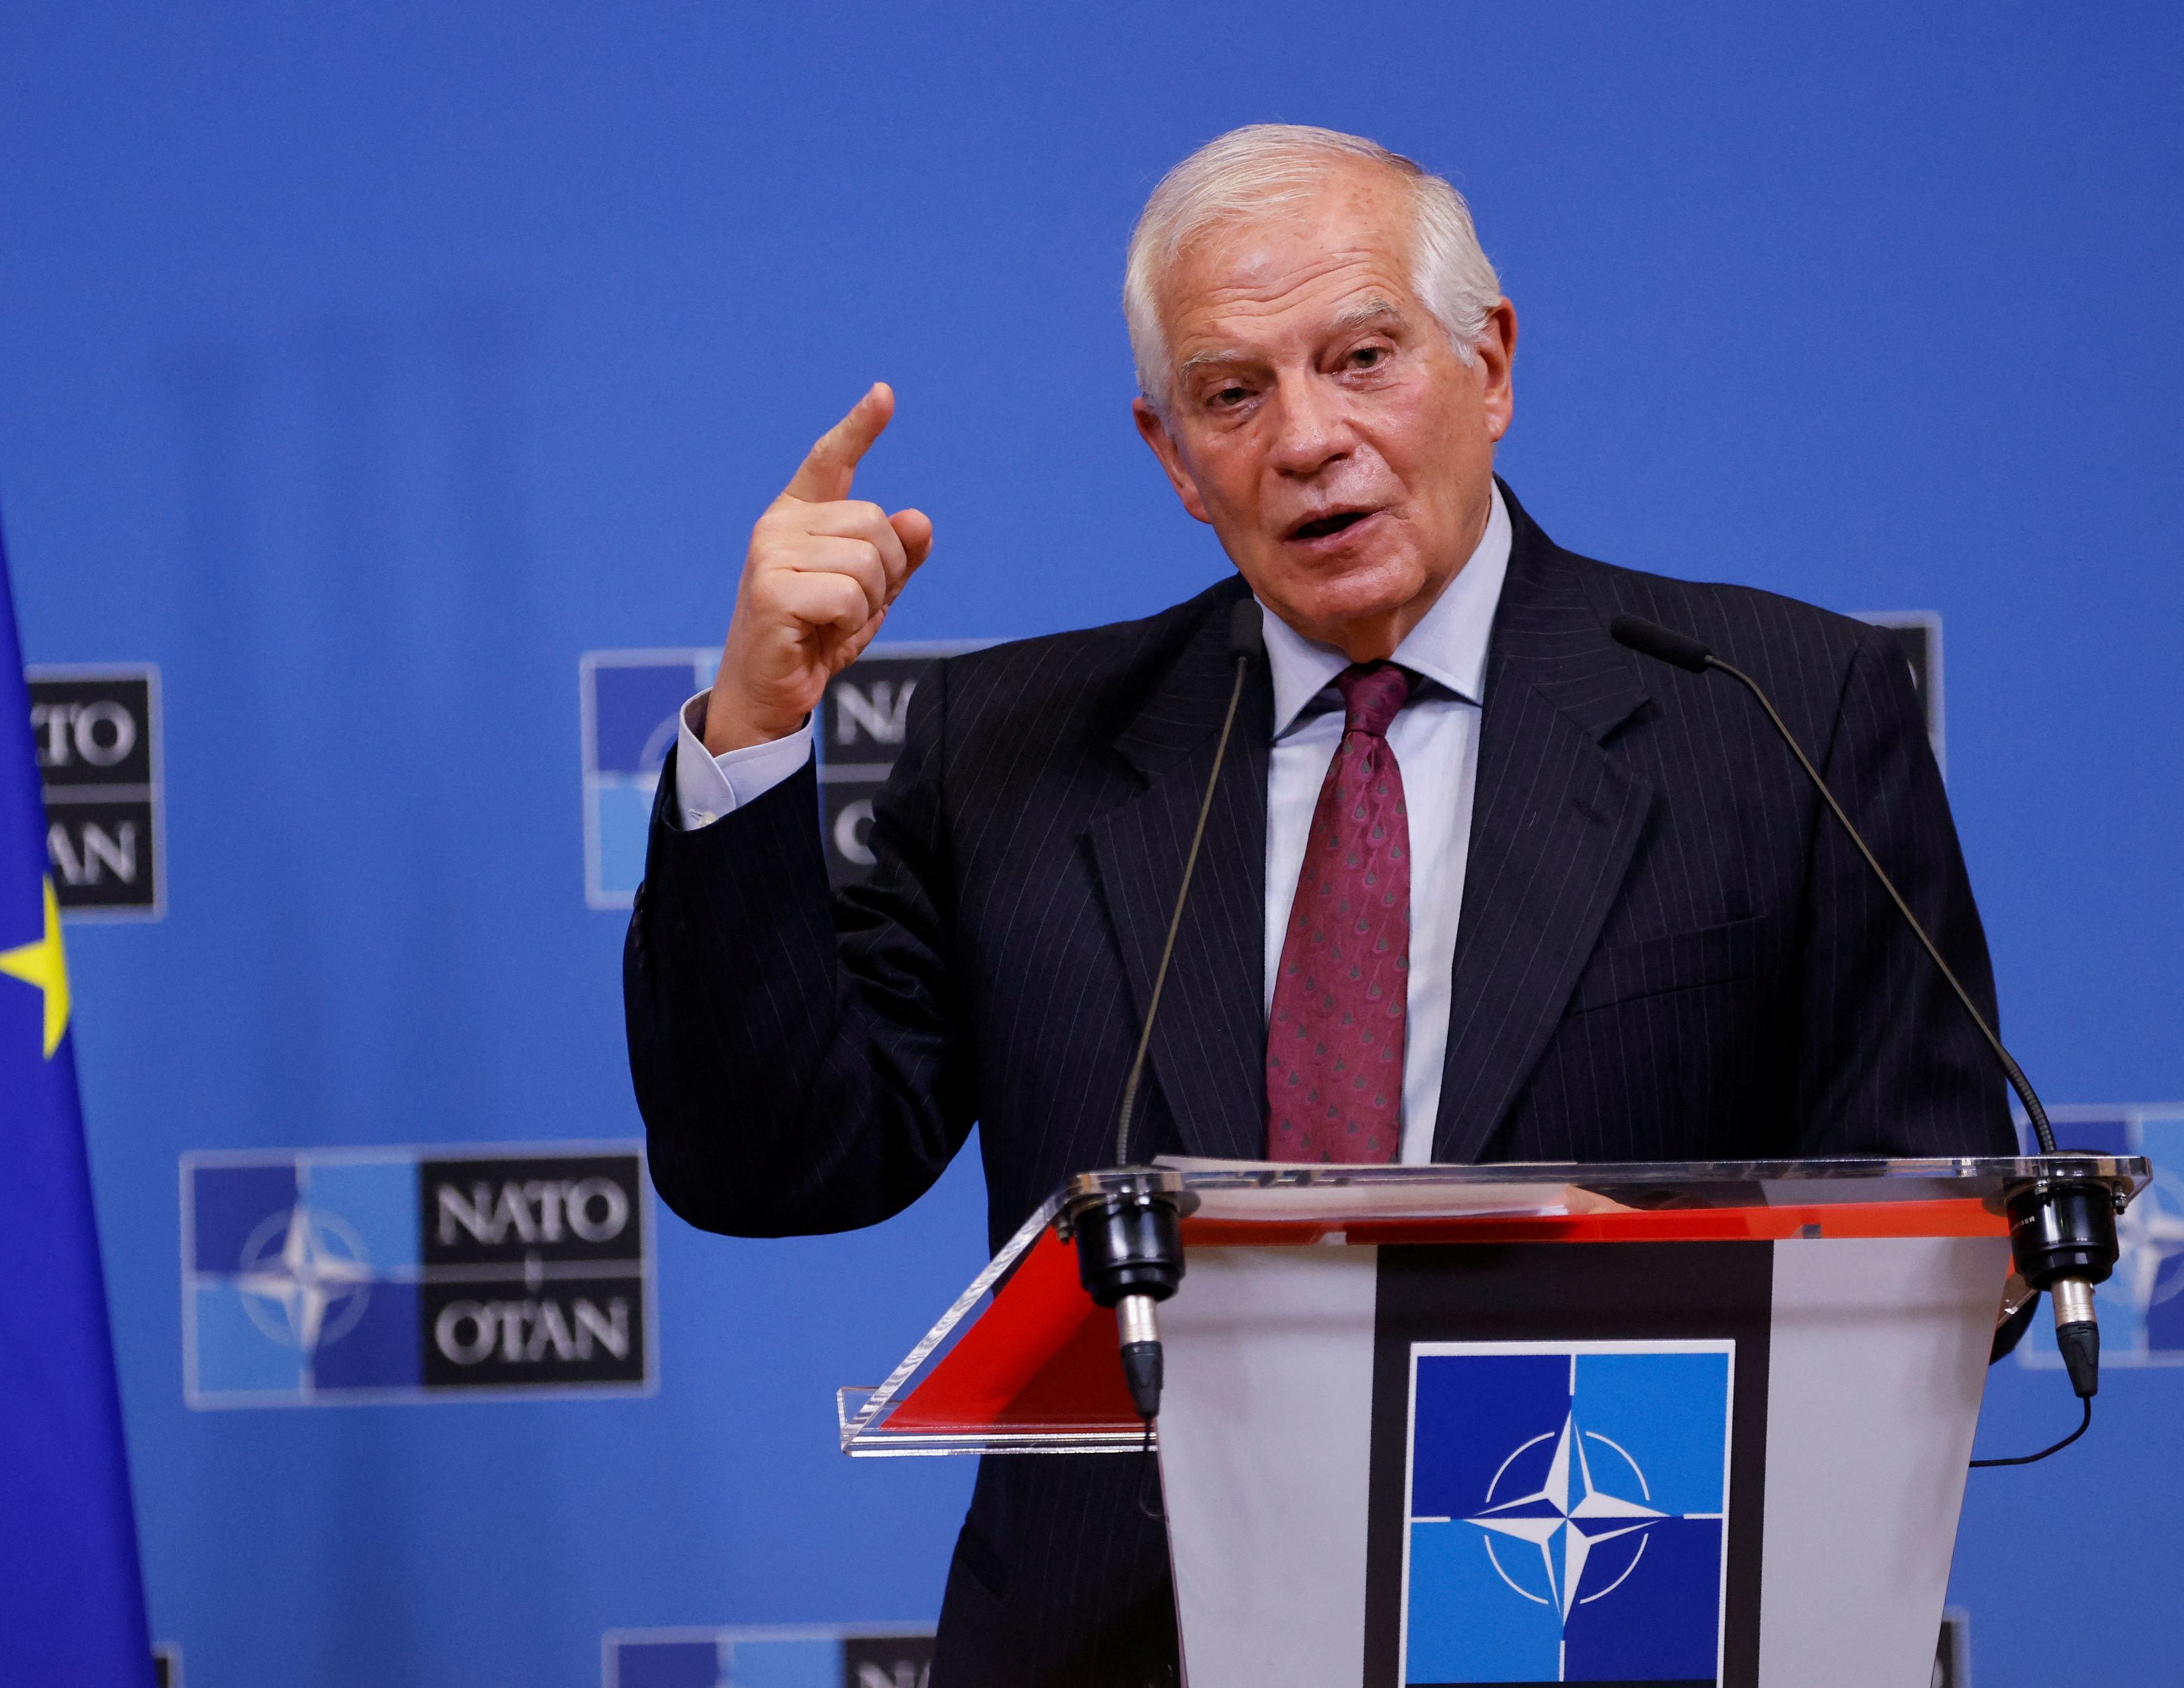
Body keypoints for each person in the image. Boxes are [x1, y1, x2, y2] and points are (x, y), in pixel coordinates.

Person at [622, 125, 2012, 1686]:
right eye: (1234, 393)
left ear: (1487, 362)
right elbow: (775, 1163)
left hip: (1602, 1612)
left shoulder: (1773, 711)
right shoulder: (1010, 748)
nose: (1306, 437)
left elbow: (1934, 1239)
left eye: (1360, 357)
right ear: (1172, 454)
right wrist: (754, 729)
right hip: (1125, 1643)